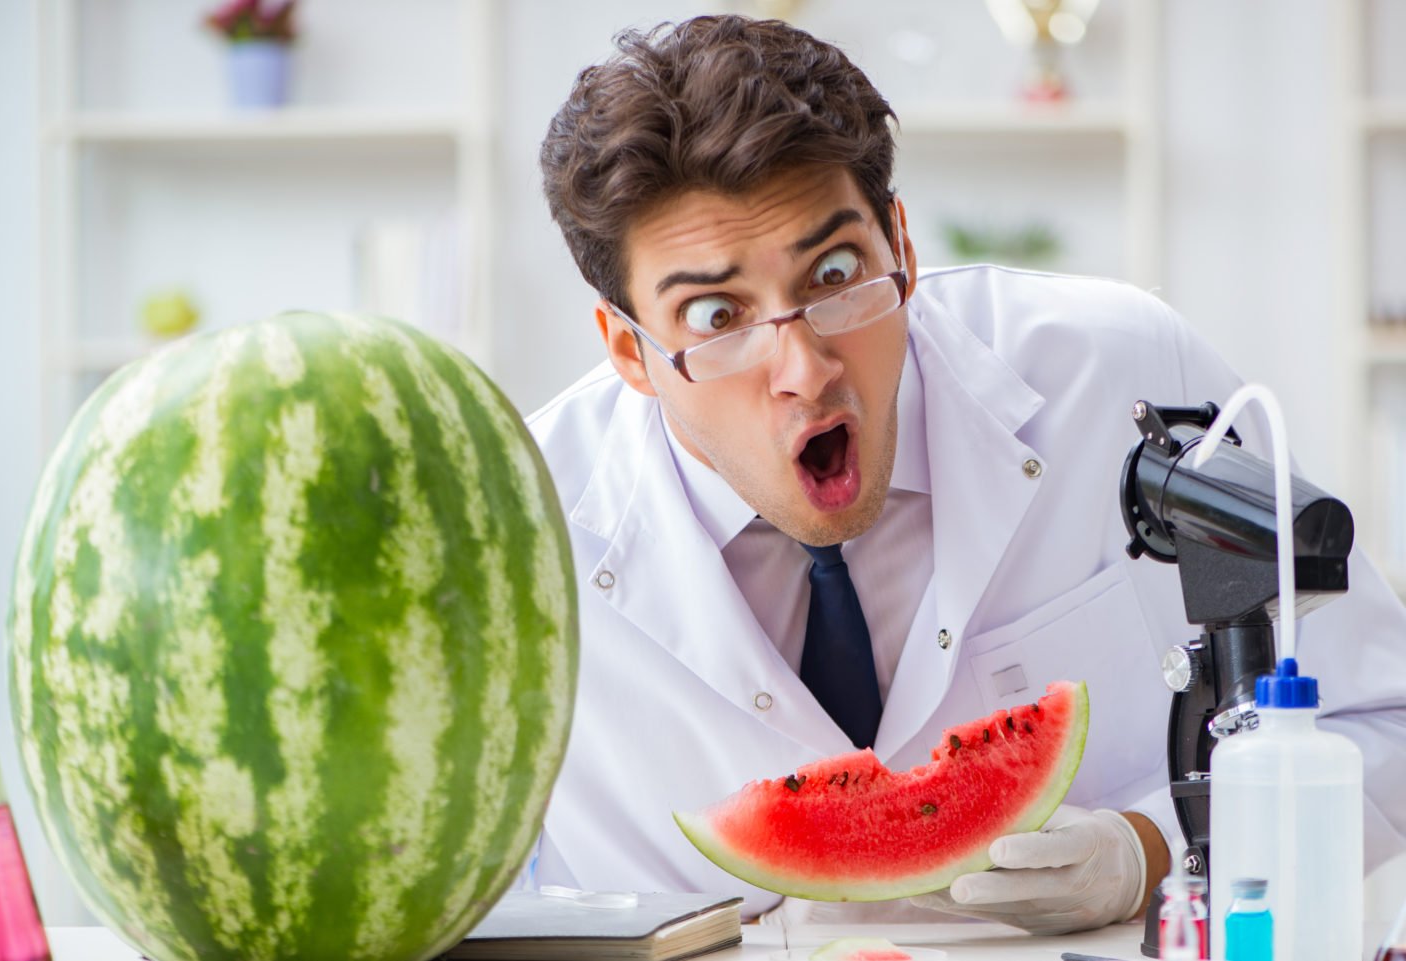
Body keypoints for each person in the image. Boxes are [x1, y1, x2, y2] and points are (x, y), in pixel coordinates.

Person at [523, 14, 1406, 934]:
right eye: (715, 315)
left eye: (834, 270)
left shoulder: (1117, 370)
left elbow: (1384, 714)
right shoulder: (519, 530)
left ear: (900, 247)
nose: (805, 369)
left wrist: (1154, 847)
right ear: (629, 349)